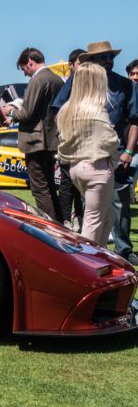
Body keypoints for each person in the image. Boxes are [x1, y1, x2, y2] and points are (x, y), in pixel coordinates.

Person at [51, 41, 138, 262]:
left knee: (109, 214)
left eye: (110, 56)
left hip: (101, 159)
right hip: (99, 161)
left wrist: (128, 150)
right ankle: (85, 265)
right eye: (102, 57)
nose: (107, 61)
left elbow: (134, 119)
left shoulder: (125, 85)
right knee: (94, 217)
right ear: (92, 62)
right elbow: (58, 110)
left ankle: (110, 255)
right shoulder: (79, 84)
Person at [56, 63, 117, 246]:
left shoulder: (66, 110)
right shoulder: (97, 112)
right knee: (93, 221)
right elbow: (111, 142)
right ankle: (88, 266)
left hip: (76, 167)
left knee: (107, 218)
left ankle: (100, 255)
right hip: (96, 168)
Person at [2, 48, 62, 220]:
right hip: (51, 139)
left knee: (40, 189)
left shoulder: (38, 80)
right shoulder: (57, 79)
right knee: (49, 186)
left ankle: (51, 227)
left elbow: (27, 114)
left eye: (24, 69)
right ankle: (59, 223)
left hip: (36, 141)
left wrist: (11, 112)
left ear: (30, 62)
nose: (25, 74)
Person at [56, 49, 87, 231]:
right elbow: (58, 111)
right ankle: (66, 220)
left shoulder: (84, 83)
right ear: (72, 64)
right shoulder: (69, 84)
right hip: (70, 141)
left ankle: (79, 219)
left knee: (79, 184)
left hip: (83, 142)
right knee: (68, 183)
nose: (84, 66)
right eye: (80, 62)